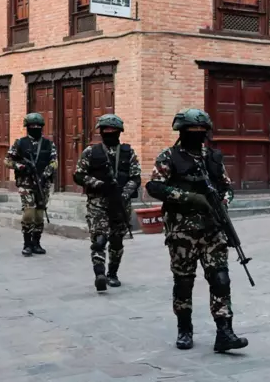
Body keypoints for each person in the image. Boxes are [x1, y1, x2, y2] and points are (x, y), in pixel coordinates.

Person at [145, 109, 247, 353]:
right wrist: (188, 197)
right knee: (183, 282)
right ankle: (184, 329)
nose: (197, 135)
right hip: (182, 232)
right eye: (192, 132)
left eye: (201, 132)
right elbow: (154, 187)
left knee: (220, 278)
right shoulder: (169, 157)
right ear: (181, 132)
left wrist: (223, 201)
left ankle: (224, 332)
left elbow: (227, 187)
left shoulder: (212, 157)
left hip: (213, 230)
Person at [74, 115, 142, 291]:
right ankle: (100, 274)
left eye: (113, 131)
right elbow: (79, 175)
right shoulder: (91, 152)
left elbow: (135, 177)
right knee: (99, 239)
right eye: (106, 130)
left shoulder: (128, 152)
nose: (109, 133)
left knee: (117, 240)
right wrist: (99, 184)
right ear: (101, 131)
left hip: (120, 203)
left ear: (119, 132)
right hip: (98, 203)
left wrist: (124, 193)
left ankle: (113, 274)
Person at [5, 113, 57, 256]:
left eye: (37, 126)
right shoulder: (20, 143)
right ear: (27, 127)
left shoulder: (48, 144)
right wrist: (21, 167)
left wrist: (45, 175)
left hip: (42, 184)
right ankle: (27, 244)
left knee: (39, 213)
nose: (35, 128)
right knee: (29, 213)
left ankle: (36, 243)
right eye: (32, 126)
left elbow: (54, 162)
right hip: (26, 184)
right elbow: (7, 161)